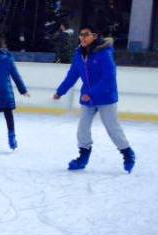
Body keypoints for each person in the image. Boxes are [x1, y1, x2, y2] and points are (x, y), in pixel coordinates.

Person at [52, 24, 136, 173]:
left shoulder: (104, 54)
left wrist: (92, 93)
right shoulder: (79, 54)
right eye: (80, 35)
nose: (82, 37)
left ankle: (127, 153)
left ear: (95, 36)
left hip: (105, 97)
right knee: (82, 129)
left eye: (86, 34)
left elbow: (109, 78)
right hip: (88, 98)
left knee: (112, 128)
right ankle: (83, 157)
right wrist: (60, 91)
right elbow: (72, 75)